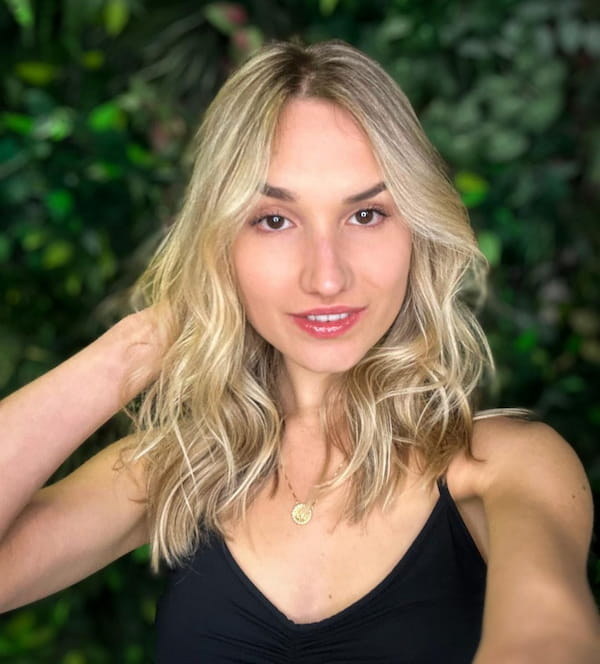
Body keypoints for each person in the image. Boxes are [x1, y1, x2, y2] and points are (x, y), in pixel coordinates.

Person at [0, 39, 597, 663]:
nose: (327, 277)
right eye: (274, 220)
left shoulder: (508, 466)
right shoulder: (180, 469)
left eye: (366, 215)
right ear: (221, 244)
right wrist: (137, 345)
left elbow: (552, 640)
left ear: (417, 231)